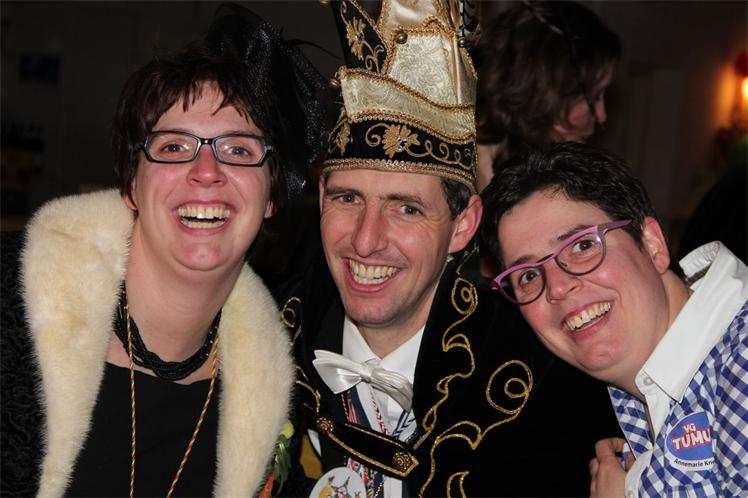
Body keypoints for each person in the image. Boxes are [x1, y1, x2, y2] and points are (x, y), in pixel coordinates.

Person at [277, 1, 620, 496]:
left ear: (464, 226)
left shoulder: (540, 393)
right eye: (348, 199)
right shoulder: (264, 343)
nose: (366, 241)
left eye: (407, 208)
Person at [0, 5, 324, 497]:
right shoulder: (13, 307)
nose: (206, 173)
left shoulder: (278, 391)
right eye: (174, 147)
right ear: (132, 183)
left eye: (238, 149)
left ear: (273, 195)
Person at [481, 142, 748, 498]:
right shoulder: (644, 387)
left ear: (652, 244)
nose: (556, 287)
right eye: (528, 275)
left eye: (581, 246)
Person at [474, 0, 621, 190]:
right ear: (545, 91)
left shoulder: (520, 173)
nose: (602, 116)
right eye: (594, 97)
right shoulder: (460, 170)